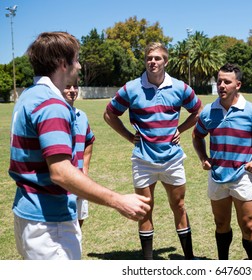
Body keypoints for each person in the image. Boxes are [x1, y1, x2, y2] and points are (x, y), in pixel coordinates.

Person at [8, 31, 150, 260]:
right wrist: (119, 201)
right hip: (49, 224)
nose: (80, 66)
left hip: (28, 215)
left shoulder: (28, 96)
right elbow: (60, 173)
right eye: (76, 59)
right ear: (63, 64)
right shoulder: (52, 104)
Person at [104, 42, 202, 260]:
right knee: (144, 209)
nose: (153, 62)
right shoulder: (131, 88)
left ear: (165, 61)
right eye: (149, 58)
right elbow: (109, 114)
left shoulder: (180, 87)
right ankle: (148, 264)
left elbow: (197, 110)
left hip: (172, 159)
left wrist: (181, 129)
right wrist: (130, 137)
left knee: (179, 206)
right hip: (143, 160)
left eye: (157, 58)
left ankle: (189, 259)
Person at [192, 63, 252, 260]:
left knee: (248, 225)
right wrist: (203, 158)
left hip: (243, 178)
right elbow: (196, 136)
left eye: (227, 82)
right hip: (217, 177)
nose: (221, 86)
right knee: (221, 224)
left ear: (238, 85)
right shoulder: (209, 112)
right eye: (219, 81)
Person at [62, 84, 95, 228]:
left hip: (80, 179)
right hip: (61, 181)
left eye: (75, 87)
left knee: (78, 224)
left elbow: (89, 140)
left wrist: (85, 169)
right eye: (67, 87)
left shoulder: (82, 116)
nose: (72, 90)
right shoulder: (55, 114)